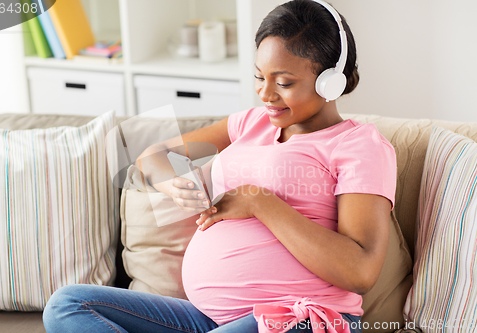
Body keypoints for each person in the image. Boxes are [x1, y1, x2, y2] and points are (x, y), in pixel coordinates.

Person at [42, 1, 396, 332]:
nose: (265, 94)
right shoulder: (251, 123)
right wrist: (172, 183)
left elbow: (360, 271)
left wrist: (261, 203)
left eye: (284, 82)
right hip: (210, 319)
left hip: (299, 316)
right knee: (67, 305)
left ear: (329, 81)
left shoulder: (359, 145)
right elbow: (154, 156)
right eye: (260, 77)